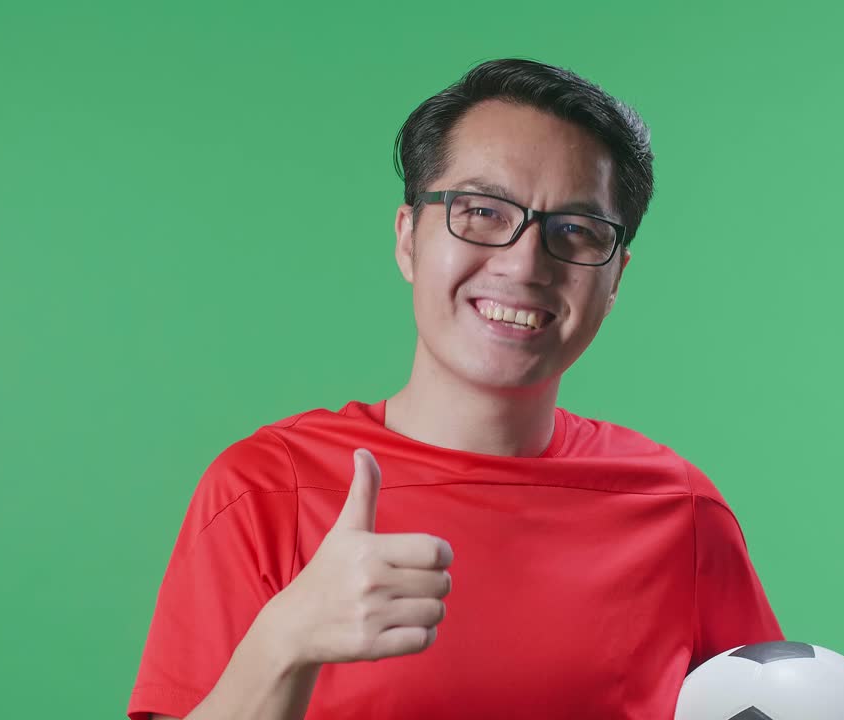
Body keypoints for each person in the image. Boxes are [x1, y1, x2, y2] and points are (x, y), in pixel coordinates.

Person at [126, 58, 783, 720]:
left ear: (614, 280)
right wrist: (284, 641)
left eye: (576, 232)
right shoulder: (266, 491)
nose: (525, 262)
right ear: (408, 239)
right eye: (481, 211)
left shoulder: (681, 513)